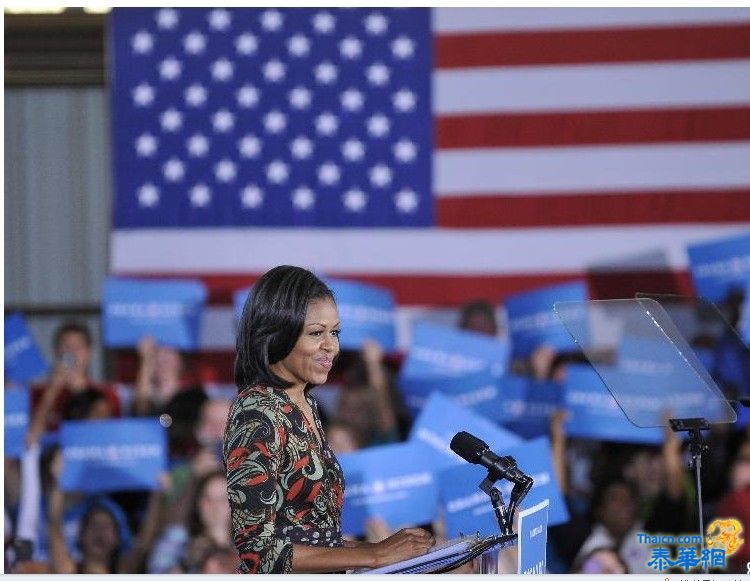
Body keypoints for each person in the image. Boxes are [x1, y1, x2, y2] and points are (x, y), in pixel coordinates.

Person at [225, 265, 434, 573]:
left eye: (334, 332)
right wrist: (376, 556)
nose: (331, 347)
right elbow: (258, 553)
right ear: (278, 335)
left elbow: (315, 535)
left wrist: (391, 550)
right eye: (316, 333)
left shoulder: (305, 404)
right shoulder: (256, 413)